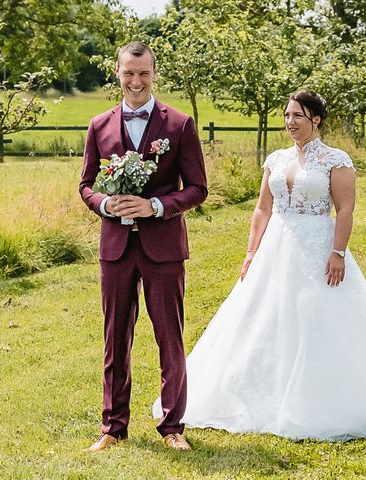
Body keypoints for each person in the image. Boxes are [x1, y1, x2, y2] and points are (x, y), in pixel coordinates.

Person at [154, 90, 366, 441]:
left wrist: (338, 252)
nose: (290, 122)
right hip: (275, 249)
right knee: (263, 315)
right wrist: (251, 252)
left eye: (297, 115)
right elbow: (262, 209)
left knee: (316, 315)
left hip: (318, 246)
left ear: (316, 119)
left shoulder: (336, 160)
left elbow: (344, 210)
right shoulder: (276, 160)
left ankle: (325, 396)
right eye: (286, 115)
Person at [80, 41, 207, 452]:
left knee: (169, 337)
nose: (136, 81)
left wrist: (156, 206)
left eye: (144, 74)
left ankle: (173, 427)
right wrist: (104, 203)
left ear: (155, 74)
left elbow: (198, 189)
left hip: (164, 248)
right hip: (115, 248)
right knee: (115, 338)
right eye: (129, 73)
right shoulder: (98, 125)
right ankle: (113, 429)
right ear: (117, 73)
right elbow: (85, 185)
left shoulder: (180, 124)